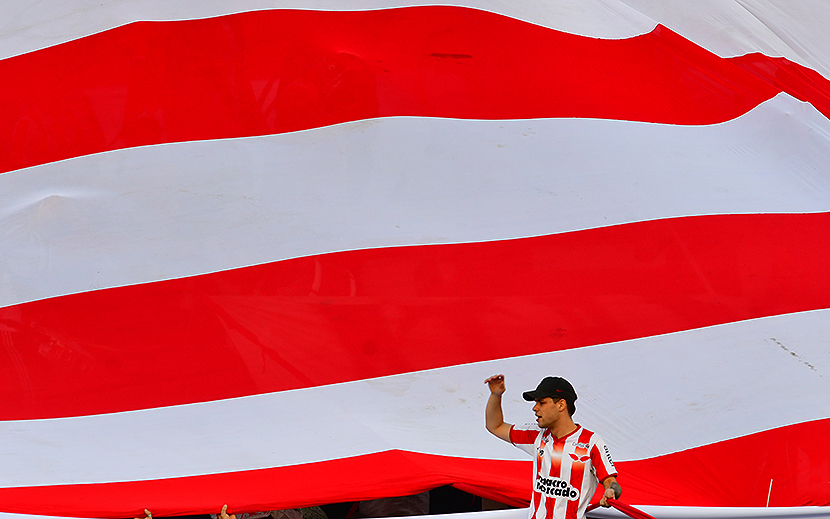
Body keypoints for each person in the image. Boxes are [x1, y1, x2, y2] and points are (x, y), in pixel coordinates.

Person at [484, 375, 621, 519]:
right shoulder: (536, 434)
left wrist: (610, 491)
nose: (534, 408)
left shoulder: (592, 442)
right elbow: (495, 426)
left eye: (541, 403)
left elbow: (612, 483)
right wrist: (496, 395)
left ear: (561, 405)